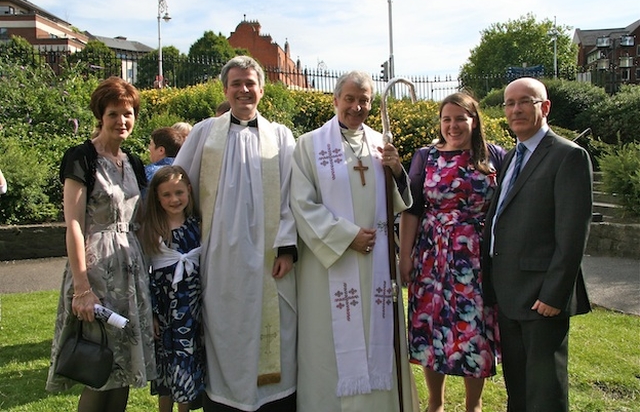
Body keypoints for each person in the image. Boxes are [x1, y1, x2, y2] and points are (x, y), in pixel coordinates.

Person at [173, 55, 298, 412]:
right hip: (221, 256)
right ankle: (226, 401)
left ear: (261, 88)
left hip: (270, 257)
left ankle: (275, 401)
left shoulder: (280, 136)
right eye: (236, 84)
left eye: (250, 83)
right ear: (225, 90)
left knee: (276, 331)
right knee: (226, 329)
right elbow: (179, 185)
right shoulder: (204, 133)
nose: (244, 90)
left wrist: (287, 249)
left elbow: (294, 195)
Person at [290, 71, 419, 412]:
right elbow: (301, 205)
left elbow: (400, 200)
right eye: (350, 98)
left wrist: (397, 170)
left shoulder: (380, 144)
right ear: (335, 100)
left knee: (378, 335)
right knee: (328, 343)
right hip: (330, 263)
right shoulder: (309, 145)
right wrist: (347, 237)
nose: (357, 106)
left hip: (376, 264)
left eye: (364, 100)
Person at [46, 77, 156, 412]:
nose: (122, 121)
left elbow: (140, 222)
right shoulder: (82, 158)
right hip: (96, 273)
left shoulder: (134, 163)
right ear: (100, 115)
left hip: (131, 271)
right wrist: (82, 288)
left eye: (128, 113)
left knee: (123, 367)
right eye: (114, 114)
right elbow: (75, 224)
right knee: (100, 364)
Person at [482, 77, 592, 412]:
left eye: (524, 102)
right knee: (519, 388)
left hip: (542, 297)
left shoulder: (567, 156)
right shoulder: (512, 156)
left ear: (544, 107)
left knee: (545, 393)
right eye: (509, 103)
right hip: (509, 292)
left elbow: (573, 232)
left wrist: (554, 294)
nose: (515, 110)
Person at [398, 92, 505, 412]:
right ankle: (436, 403)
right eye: (447, 119)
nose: (453, 125)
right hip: (431, 256)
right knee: (431, 330)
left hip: (474, 258)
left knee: (474, 332)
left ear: (474, 121)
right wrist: (405, 256)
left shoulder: (494, 156)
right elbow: (412, 209)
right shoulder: (424, 157)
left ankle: (474, 405)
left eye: (460, 118)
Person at [139, 165, 205, 412]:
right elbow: (147, 274)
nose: (174, 199)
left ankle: (185, 409)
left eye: (179, 192)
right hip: (166, 309)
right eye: (166, 194)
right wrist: (153, 313)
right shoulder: (153, 229)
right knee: (167, 364)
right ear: (156, 196)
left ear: (189, 191)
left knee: (187, 360)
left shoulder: (197, 226)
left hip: (192, 307)